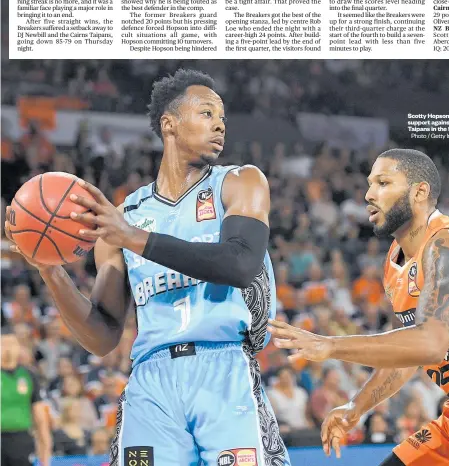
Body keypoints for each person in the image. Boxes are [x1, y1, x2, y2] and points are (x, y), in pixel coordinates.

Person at [5, 69, 290, 466]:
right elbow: (103, 336)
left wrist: (133, 238)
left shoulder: (239, 183)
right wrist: (51, 272)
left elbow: (240, 263)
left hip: (224, 367)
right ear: (169, 124)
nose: (220, 125)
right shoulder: (123, 216)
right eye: (207, 113)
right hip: (151, 380)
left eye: (222, 117)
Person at [268, 148, 449, 466]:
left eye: (384, 183)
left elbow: (429, 344)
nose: (370, 194)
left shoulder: (448, 246)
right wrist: (357, 406)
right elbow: (406, 355)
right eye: (370, 184)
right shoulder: (394, 261)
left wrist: (330, 345)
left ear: (419, 191)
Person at [1, 327, 52, 466]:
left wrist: (45, 457)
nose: (7, 349)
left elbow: (40, 418)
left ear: (18, 347)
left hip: (21, 439)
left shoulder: (29, 375)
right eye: (3, 344)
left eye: (11, 344)